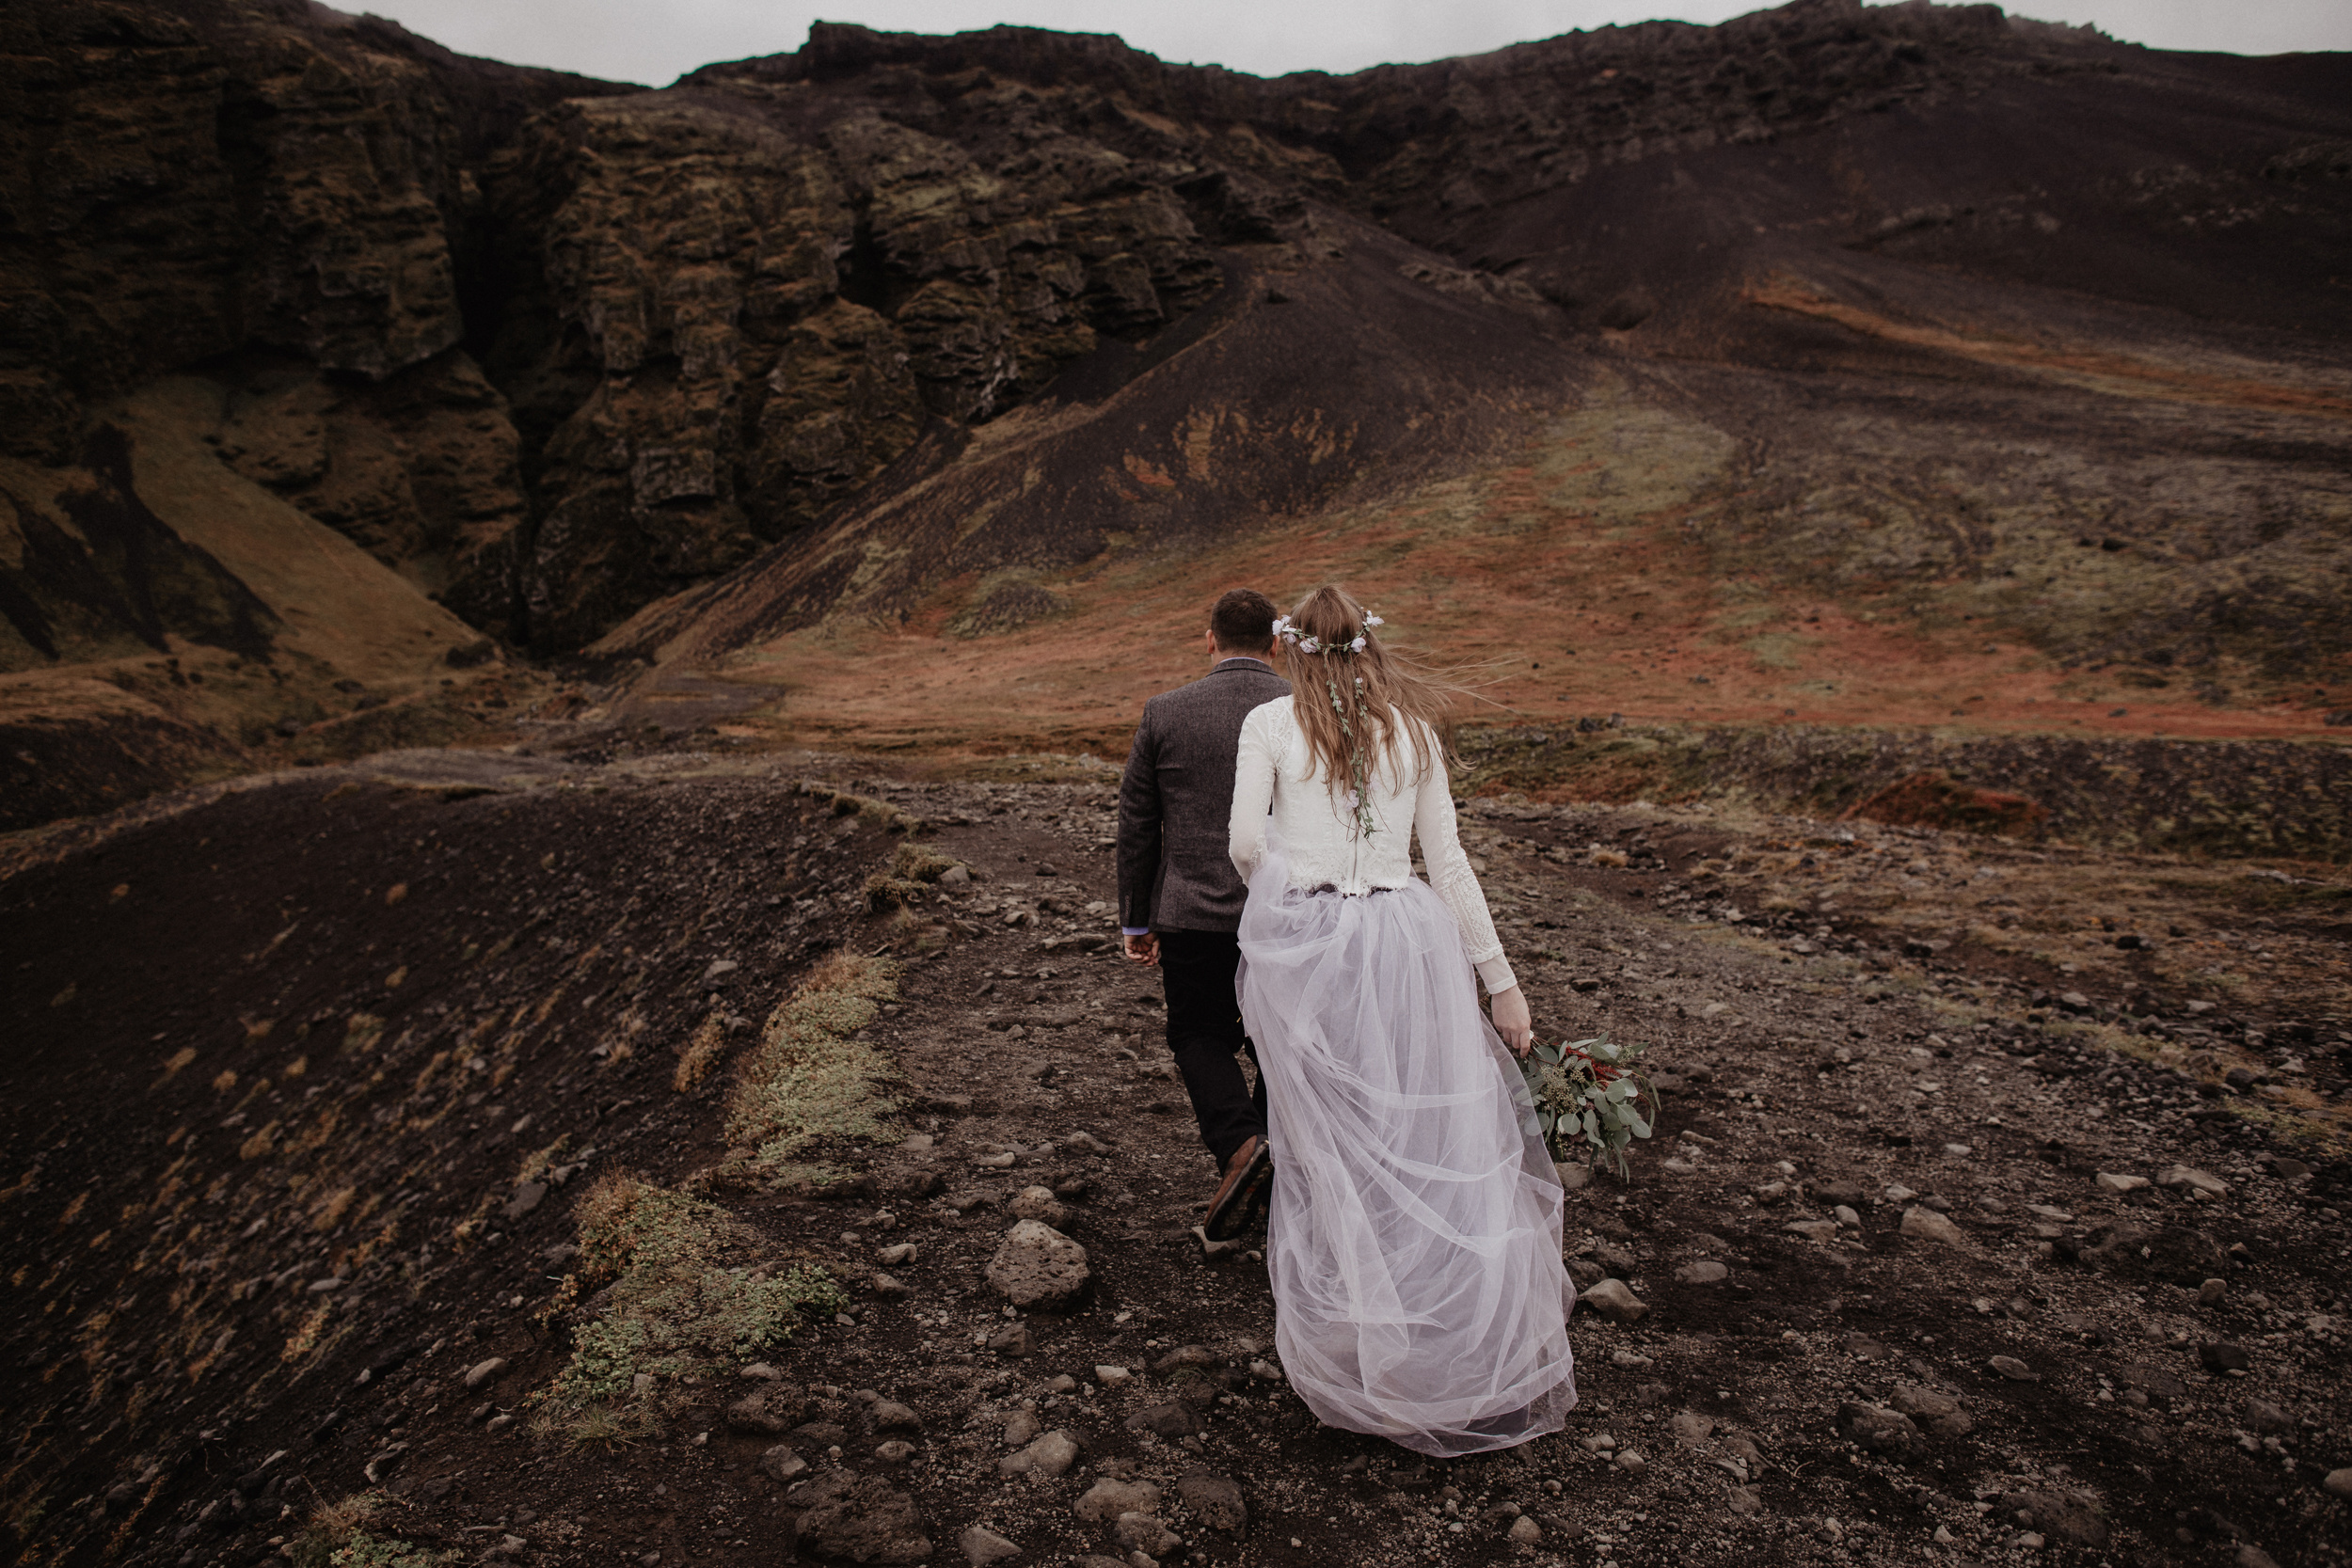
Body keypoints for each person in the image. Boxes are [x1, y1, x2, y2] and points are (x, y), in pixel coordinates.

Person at [1226, 585, 1576, 1457]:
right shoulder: (1413, 732)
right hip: (1405, 944)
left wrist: (1288, 906)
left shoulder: (1269, 726)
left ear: (1292, 648)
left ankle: (1360, 1348)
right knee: (1423, 1141)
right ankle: (1443, 1351)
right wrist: (1502, 982)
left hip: (1311, 946)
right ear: (1367, 645)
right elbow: (1449, 863)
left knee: (1329, 1145)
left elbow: (1241, 842)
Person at [1116, 588, 1293, 1242]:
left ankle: (1245, 1149)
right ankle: (1272, 1156)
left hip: (1192, 911)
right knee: (1283, 1044)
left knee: (1198, 1034)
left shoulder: (1166, 712)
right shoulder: (1304, 712)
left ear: (1209, 639)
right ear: (1277, 643)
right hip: (1289, 911)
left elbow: (1138, 823)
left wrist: (1137, 918)